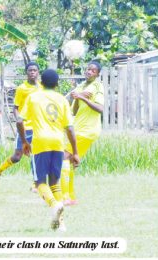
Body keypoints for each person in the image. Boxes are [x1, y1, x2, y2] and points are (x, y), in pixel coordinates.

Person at [17, 69, 79, 231]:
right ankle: (61, 224)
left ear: (41, 82)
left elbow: (19, 120)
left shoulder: (33, 97)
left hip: (40, 143)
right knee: (54, 183)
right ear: (57, 84)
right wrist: (75, 152)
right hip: (58, 143)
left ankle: (55, 204)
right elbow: (70, 128)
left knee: (39, 183)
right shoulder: (62, 99)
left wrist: (24, 142)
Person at [0, 62, 42, 188]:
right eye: (30, 70)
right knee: (17, 156)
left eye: (35, 70)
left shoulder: (42, 88)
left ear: (38, 72)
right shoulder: (22, 88)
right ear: (26, 73)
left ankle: (36, 184)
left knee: (36, 155)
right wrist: (18, 119)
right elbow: (16, 107)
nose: (32, 73)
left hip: (38, 127)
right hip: (24, 127)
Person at [60, 61, 104, 206]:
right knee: (70, 161)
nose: (89, 72)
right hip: (77, 129)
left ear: (97, 74)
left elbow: (100, 108)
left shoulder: (97, 86)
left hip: (87, 130)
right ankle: (71, 197)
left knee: (64, 157)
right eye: (87, 69)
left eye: (93, 70)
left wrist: (83, 97)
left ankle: (65, 196)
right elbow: (74, 111)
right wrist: (75, 98)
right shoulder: (80, 87)